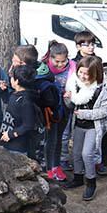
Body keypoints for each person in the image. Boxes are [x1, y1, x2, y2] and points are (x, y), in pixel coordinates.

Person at [62, 56, 107, 201]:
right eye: (80, 72)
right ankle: (78, 177)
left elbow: (105, 111)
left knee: (87, 154)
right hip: (78, 126)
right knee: (76, 153)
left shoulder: (100, 92)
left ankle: (91, 181)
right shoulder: (76, 86)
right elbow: (71, 105)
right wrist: (68, 98)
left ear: (95, 74)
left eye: (86, 73)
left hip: (92, 127)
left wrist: (86, 114)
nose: (82, 76)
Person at [41, 42, 74, 181]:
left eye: (63, 61)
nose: (61, 65)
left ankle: (56, 164)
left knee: (59, 137)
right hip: (48, 110)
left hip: (64, 109)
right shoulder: (43, 69)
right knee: (49, 139)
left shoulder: (73, 68)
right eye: (57, 61)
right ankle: (47, 166)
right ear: (50, 58)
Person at [0, 64, 42, 158]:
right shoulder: (16, 94)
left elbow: (28, 125)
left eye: (12, 77)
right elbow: (8, 101)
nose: (10, 79)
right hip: (8, 141)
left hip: (18, 147)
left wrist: (11, 134)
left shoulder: (26, 101)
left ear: (17, 81)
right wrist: (3, 91)